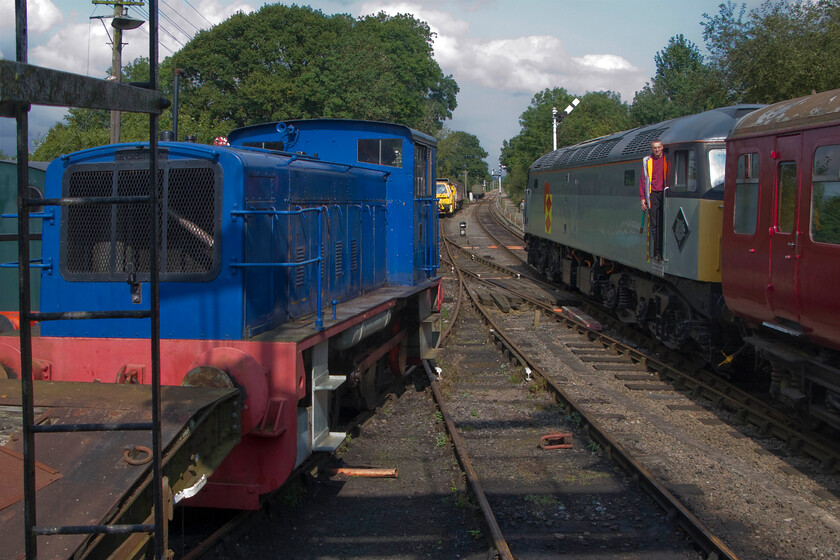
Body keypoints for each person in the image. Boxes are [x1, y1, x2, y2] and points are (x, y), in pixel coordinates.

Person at [640, 140, 668, 260]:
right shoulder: (648, 161)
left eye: (658, 147)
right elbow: (643, 181)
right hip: (652, 194)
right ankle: (657, 251)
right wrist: (643, 198)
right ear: (651, 149)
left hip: (665, 193)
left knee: (663, 222)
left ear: (662, 147)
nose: (657, 150)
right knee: (655, 224)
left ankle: (662, 249)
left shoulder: (668, 159)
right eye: (654, 148)